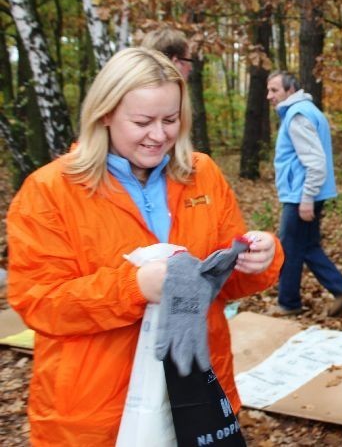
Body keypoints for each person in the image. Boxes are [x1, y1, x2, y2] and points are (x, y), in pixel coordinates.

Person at [6, 47, 284, 444]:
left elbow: (226, 284)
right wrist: (135, 288)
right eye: (142, 122)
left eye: (170, 120)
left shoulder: (200, 175)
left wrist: (259, 258)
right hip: (95, 413)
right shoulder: (50, 191)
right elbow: (40, 301)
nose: (159, 135)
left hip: (197, 395)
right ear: (104, 114)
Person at [267, 70, 342, 316]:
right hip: (307, 194)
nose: (269, 96)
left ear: (290, 90)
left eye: (274, 90)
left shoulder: (297, 116)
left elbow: (315, 162)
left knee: (289, 247)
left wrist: (306, 198)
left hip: (302, 196)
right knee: (306, 247)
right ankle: (340, 288)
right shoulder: (307, 111)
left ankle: (288, 303)